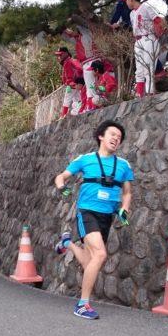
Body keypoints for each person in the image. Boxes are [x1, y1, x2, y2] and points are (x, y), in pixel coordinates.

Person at [53, 120, 134, 320]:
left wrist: (124, 209)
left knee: (90, 260)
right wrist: (62, 187)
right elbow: (60, 177)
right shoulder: (85, 159)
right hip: (87, 212)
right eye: (113, 134)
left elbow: (127, 193)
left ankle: (68, 244)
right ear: (101, 136)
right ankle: (82, 304)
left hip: (107, 216)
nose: (116, 138)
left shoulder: (124, 165)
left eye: (119, 137)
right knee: (100, 255)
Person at [126, 0, 165, 97]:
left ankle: (149, 92)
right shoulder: (131, 14)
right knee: (139, 70)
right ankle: (139, 94)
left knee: (148, 67)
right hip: (138, 41)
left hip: (149, 38)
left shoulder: (146, 7)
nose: (126, 2)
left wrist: (157, 34)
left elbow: (158, 21)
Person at [56, 47, 84, 118]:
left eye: (61, 54)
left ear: (66, 53)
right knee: (77, 99)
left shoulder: (71, 61)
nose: (59, 56)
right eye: (59, 55)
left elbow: (80, 69)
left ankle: (63, 116)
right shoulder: (66, 62)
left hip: (73, 84)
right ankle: (79, 111)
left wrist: (78, 80)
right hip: (72, 84)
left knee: (67, 99)